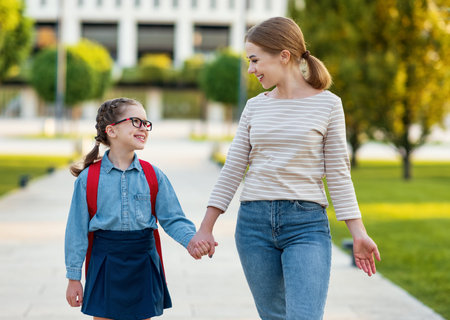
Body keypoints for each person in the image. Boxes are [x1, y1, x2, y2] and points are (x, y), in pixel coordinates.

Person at [189, 17, 381, 320]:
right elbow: (233, 168)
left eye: (255, 60)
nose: (250, 69)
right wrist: (206, 226)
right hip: (254, 225)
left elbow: (339, 173)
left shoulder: (329, 105)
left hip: (306, 225)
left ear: (284, 55)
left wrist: (358, 233)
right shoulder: (255, 107)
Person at [65, 97, 210, 320]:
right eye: (136, 121)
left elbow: (173, 219)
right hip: (105, 262)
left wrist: (192, 241)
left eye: (146, 123)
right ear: (111, 131)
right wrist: (74, 278)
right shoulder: (88, 180)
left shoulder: (154, 175)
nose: (144, 128)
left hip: (143, 261)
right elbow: (76, 232)